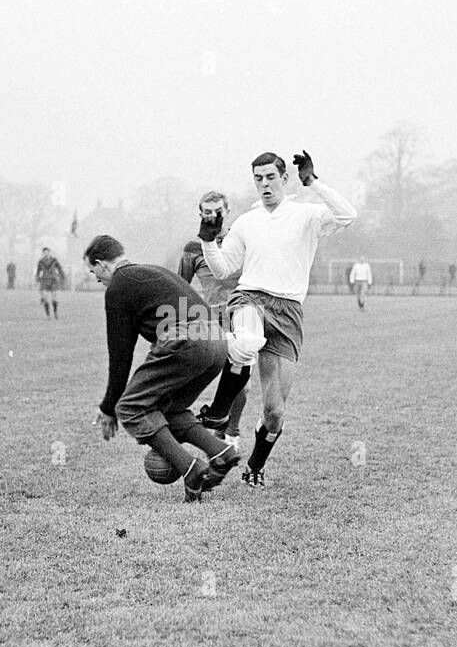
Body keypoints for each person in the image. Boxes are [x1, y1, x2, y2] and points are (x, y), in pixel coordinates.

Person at [194, 150, 357, 487]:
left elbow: (347, 215)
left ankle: (255, 466)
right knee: (247, 342)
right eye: (258, 178)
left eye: (270, 177)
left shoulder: (306, 215)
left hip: (288, 311)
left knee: (275, 413)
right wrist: (208, 241)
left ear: (284, 179)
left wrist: (313, 183)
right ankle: (220, 412)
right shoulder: (247, 222)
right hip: (250, 298)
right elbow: (223, 268)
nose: (264, 184)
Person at [86, 234, 239, 503]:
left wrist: (110, 407)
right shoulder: (152, 271)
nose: (97, 279)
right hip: (216, 340)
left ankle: (191, 469)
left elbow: (120, 357)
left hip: (187, 339)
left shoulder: (119, 286)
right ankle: (221, 452)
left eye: (94, 272)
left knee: (130, 408)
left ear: (101, 264)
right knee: (169, 408)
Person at [179, 191, 249, 450]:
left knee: (240, 378)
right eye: (207, 212)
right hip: (211, 320)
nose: (213, 216)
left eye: (217, 211)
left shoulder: (241, 240)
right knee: (203, 375)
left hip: (244, 316)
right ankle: (209, 423)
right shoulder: (192, 249)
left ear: (227, 212)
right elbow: (180, 286)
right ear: (200, 215)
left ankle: (231, 432)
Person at [35, 247, 66, 318]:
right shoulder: (41, 262)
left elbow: (60, 268)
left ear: (49, 252)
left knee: (54, 297)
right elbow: (38, 271)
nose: (46, 254)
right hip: (44, 280)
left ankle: (55, 312)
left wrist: (62, 276)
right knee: (45, 297)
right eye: (44, 253)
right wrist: (37, 279)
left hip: (53, 280)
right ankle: (48, 314)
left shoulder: (54, 260)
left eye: (47, 252)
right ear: (43, 253)